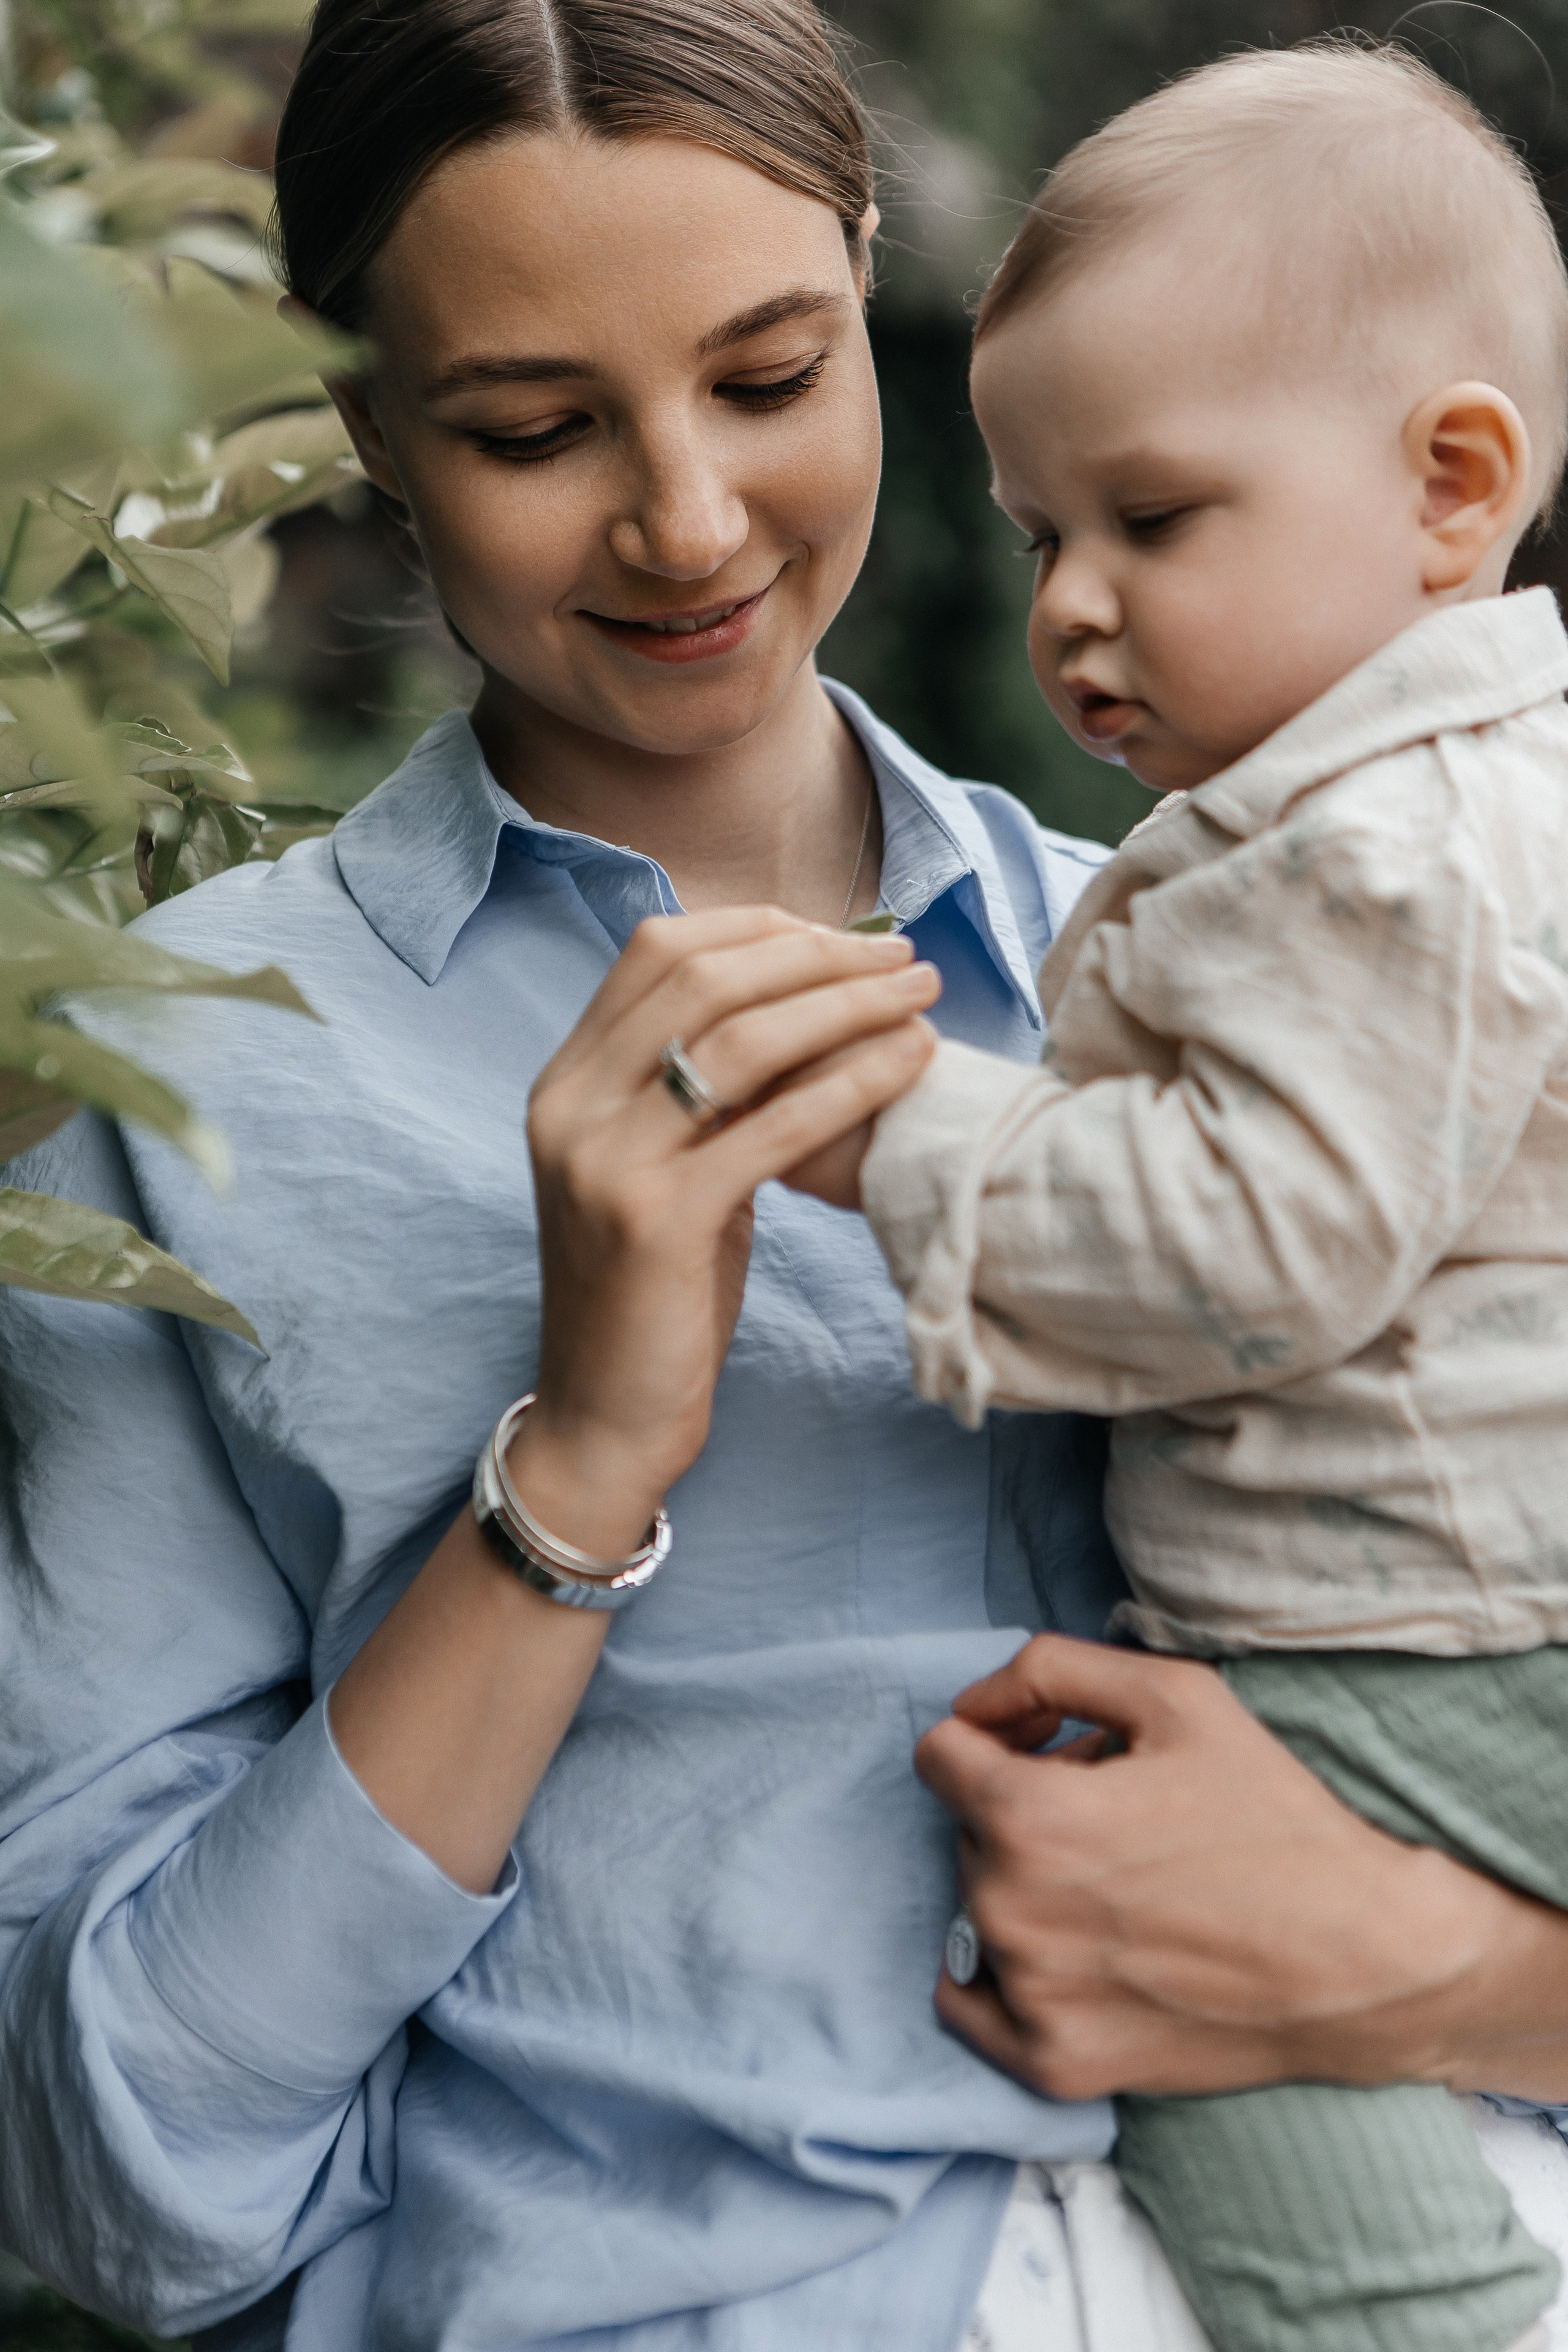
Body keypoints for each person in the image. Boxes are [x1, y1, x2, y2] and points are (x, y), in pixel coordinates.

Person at [4, 6, 1568, 2349]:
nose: (689, 521)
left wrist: (1422, 1968)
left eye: (769, 377)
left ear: (871, 285)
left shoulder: (1312, 973)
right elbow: (117, 2177)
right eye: (534, 428)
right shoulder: (180, 1081)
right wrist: (575, 1470)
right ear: (367, 428)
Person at [789, 37, 1568, 2352]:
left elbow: (1261, 1244)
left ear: (1451, 486)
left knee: (1188, 2005)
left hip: (1417, 1641)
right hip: (1476, 1603)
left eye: (1155, 517)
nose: (1075, 606)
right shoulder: (1463, 795)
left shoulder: (1378, 851)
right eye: (1046, 536)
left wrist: (905, 1133)